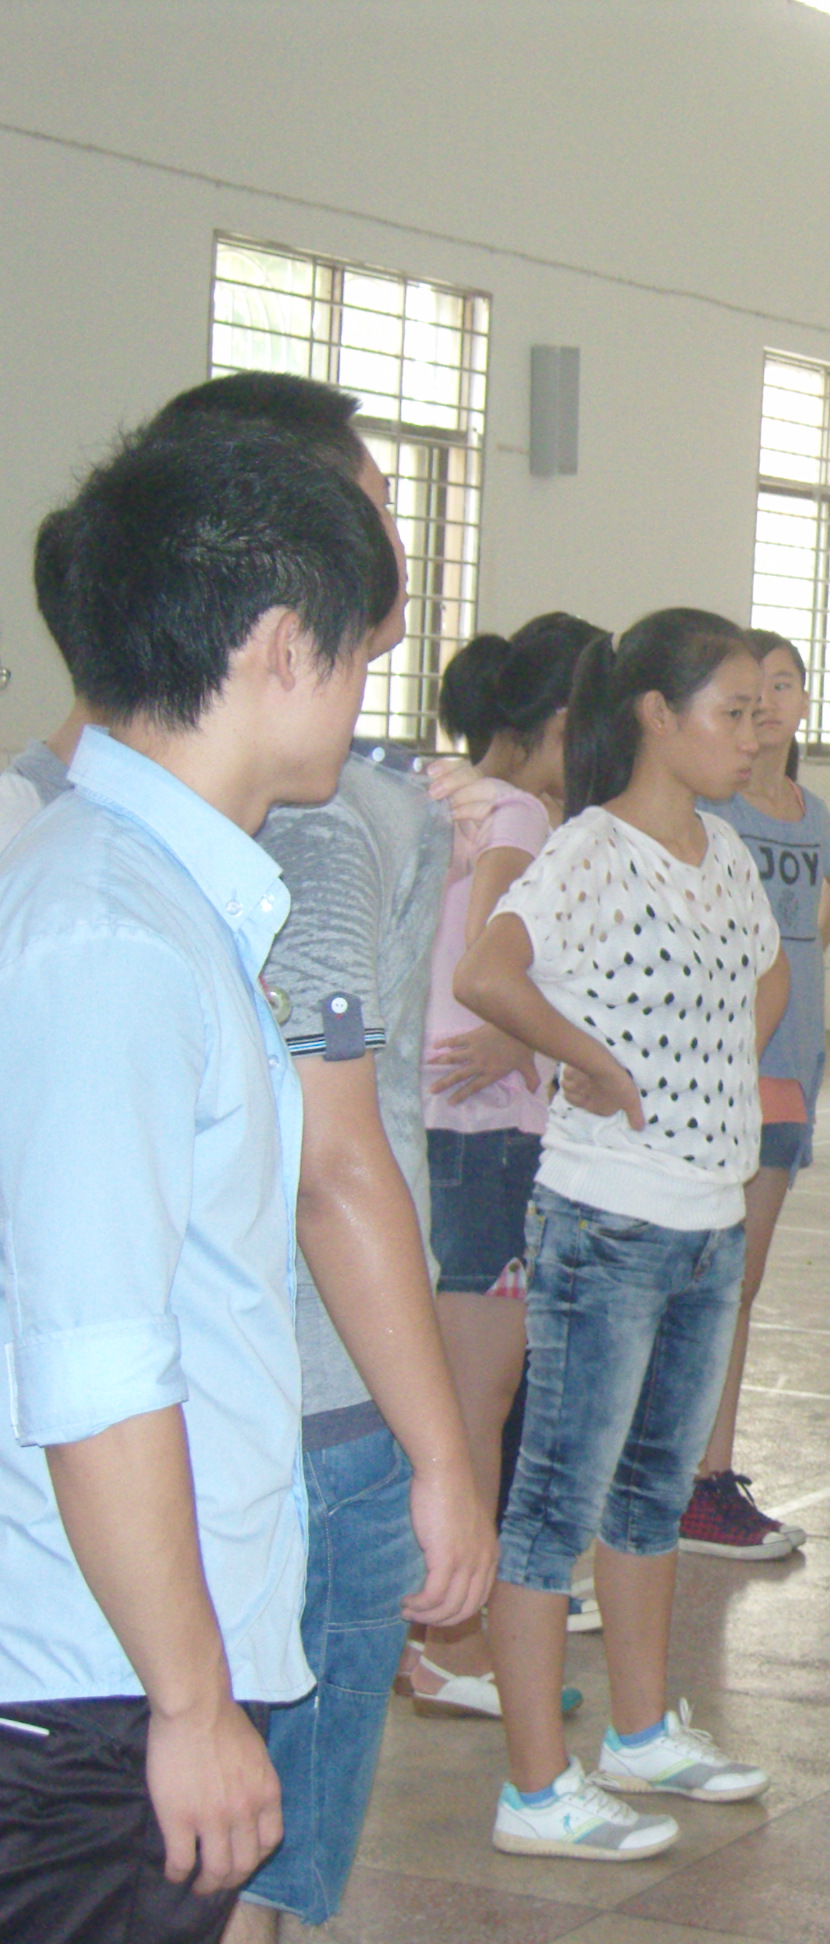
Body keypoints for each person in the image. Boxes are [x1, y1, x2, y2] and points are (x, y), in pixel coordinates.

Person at [0, 414, 407, 1942]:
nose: (361, 695)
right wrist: (186, 1700)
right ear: (286, 647)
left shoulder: (163, 902)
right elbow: (94, 1357)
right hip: (91, 1693)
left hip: (133, 1666)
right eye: (357, 654)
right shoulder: (109, 930)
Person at [454, 610, 786, 1860]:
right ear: (655, 713)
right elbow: (489, 974)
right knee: (553, 1505)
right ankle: (535, 1790)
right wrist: (591, 1062)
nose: (756, 736)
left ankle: (642, 1734)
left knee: (651, 1497)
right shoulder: (590, 849)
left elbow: (767, 973)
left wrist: (711, 1074)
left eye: (760, 713)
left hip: (707, 1217)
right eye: (734, 712)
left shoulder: (725, 849)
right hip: (606, 1220)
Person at [409, 612, 601, 1716]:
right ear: (564, 719)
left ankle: (433, 1631)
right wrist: (527, 1037)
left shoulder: (453, 793)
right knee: (476, 1402)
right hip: (487, 1133)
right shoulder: (523, 812)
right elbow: (491, 960)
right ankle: (453, 1637)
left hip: (443, 1121)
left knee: (452, 1394)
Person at [685, 632, 830, 1560]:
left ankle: (706, 1475)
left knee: (741, 1283)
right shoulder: (712, 805)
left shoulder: (809, 810)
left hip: (791, 1061)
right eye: (754, 692)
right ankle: (682, 1473)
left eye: (787, 686)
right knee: (702, 1277)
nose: (772, 705)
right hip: (724, 1064)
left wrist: (804, 956)